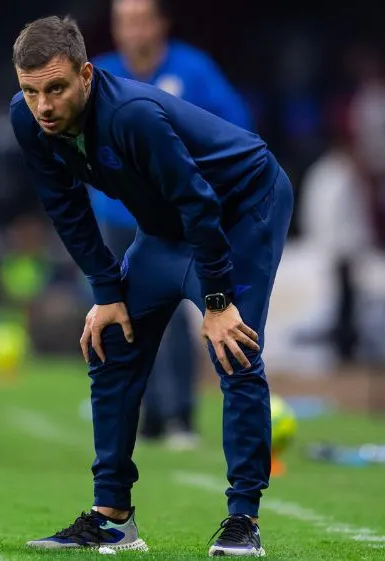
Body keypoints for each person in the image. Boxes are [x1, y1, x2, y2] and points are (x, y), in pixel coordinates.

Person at [9, 16, 292, 556]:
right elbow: (65, 207)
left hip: (243, 208)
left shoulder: (132, 116)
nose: (42, 106)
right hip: (167, 227)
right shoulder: (27, 120)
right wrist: (106, 290)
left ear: (87, 75)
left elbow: (200, 202)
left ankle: (243, 521)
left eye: (56, 88)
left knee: (234, 347)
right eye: (30, 90)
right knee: (111, 341)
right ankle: (111, 517)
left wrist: (215, 302)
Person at [90, 0, 254, 448]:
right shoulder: (98, 73)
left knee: (178, 313)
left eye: (142, 20)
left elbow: (236, 129)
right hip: (117, 214)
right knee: (123, 313)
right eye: (124, 22)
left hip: (175, 215)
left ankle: (180, 414)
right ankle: (145, 416)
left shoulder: (194, 70)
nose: (134, 31)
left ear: (161, 24)